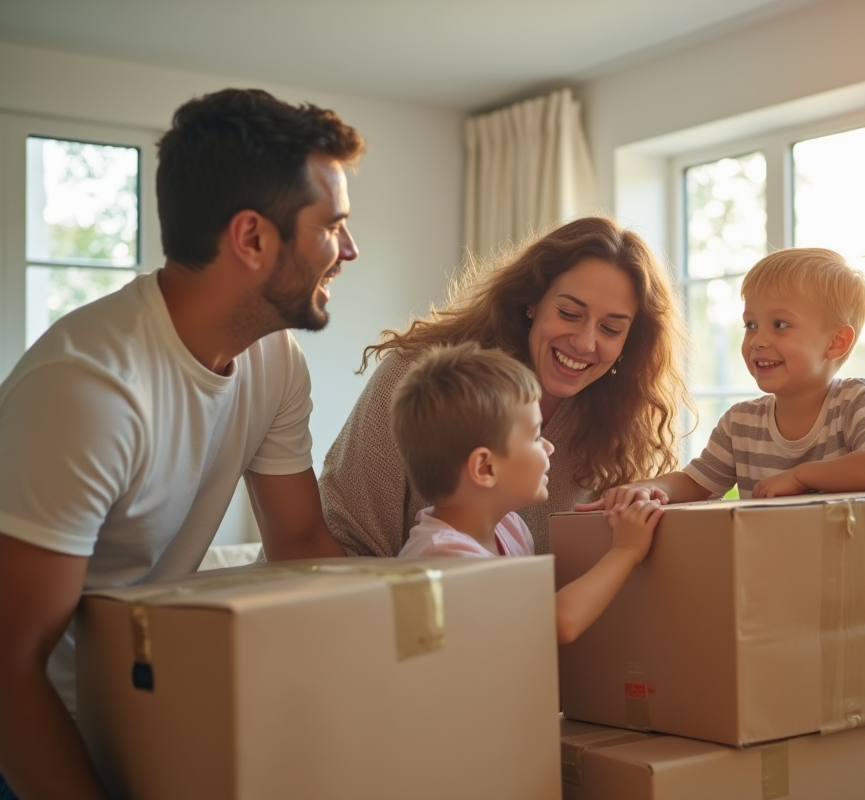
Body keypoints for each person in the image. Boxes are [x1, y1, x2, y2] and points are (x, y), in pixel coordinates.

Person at [0, 88, 362, 800]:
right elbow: (8, 667)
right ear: (252, 238)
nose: (349, 250)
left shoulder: (274, 358)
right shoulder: (88, 391)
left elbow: (300, 544)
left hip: (145, 714)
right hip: (38, 742)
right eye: (333, 226)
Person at [579, 247, 865, 703]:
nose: (757, 341)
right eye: (751, 325)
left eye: (779, 325)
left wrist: (803, 476)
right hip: (778, 589)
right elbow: (696, 480)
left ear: (837, 343)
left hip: (862, 591)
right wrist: (649, 487)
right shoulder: (740, 421)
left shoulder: (856, 401)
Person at [320, 216, 690, 557]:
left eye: (611, 329)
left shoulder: (618, 428)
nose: (584, 342)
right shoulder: (418, 380)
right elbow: (342, 539)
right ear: (532, 300)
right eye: (569, 314)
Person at [393, 343, 662, 643]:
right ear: (485, 468)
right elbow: (557, 622)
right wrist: (625, 551)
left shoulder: (510, 527)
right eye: (536, 436)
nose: (549, 446)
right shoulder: (443, 555)